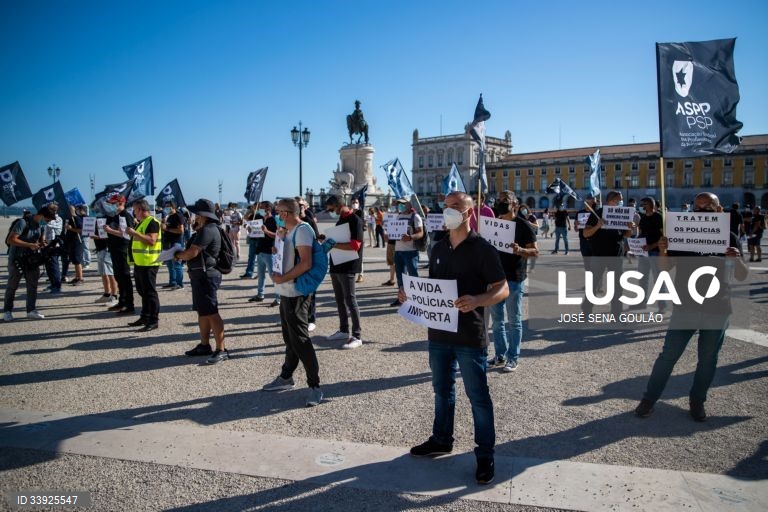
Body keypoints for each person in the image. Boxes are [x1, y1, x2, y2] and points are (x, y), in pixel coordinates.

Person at [401, 191, 508, 485]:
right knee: (441, 389)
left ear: (469, 213)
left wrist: (478, 299)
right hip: (438, 333)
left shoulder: (482, 249)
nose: (448, 211)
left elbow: (502, 288)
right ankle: (441, 439)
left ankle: (485, 454)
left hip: (469, 335)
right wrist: (412, 294)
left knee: (478, 397)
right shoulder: (438, 246)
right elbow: (434, 287)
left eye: (455, 207)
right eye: (446, 206)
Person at [635, 192, 748, 422]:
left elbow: (742, 275)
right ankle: (649, 399)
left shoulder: (730, 237)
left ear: (718, 211)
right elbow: (665, 268)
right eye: (697, 209)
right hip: (685, 305)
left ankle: (698, 401)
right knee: (667, 356)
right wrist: (665, 248)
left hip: (717, 308)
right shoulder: (681, 233)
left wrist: (736, 259)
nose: (701, 212)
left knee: (708, 360)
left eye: (707, 208)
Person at [261, 198, 323, 407]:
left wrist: (283, 277)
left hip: (296, 291)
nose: (276, 215)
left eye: (278, 212)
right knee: (290, 338)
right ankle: (286, 377)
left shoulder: (303, 230)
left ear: (286, 214)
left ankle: (315, 386)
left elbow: (306, 263)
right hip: (286, 290)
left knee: (301, 340)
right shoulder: (286, 231)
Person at [488, 191, 538, 372]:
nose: (501, 203)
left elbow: (535, 251)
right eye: (499, 200)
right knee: (497, 322)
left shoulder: (523, 225)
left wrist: (520, 250)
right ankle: (500, 355)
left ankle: (513, 357)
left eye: (505, 200)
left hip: (515, 279)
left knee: (514, 321)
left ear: (515, 204)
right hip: (495, 279)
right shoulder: (494, 224)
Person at [178, 199, 229, 364]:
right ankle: (204, 345)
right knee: (203, 311)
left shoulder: (208, 230)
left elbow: (192, 253)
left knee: (212, 312)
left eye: (196, 213)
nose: (194, 216)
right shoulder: (206, 229)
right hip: (200, 275)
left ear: (202, 215)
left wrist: (176, 255)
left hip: (207, 276)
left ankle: (221, 349)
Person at [581, 190, 635, 316]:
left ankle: (616, 313)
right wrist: (597, 226)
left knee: (617, 286)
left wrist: (631, 229)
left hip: (616, 254)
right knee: (593, 284)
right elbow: (586, 233)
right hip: (599, 254)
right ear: (610, 201)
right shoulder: (598, 213)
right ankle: (586, 311)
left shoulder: (623, 214)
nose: (620, 202)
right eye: (618, 200)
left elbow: (626, 234)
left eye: (621, 200)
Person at [323, 195, 364, 349]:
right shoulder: (341, 220)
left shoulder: (355, 220)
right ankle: (343, 329)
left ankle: (357, 335)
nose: (330, 212)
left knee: (350, 300)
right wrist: (326, 239)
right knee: (339, 300)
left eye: (331, 209)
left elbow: (355, 245)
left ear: (339, 205)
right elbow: (338, 240)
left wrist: (333, 244)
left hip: (348, 266)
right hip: (336, 264)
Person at [3, 205, 56, 322]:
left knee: (32, 286)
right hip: (17, 259)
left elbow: (41, 240)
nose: (48, 222)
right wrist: (30, 245)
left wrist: (44, 244)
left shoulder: (40, 226)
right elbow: (11, 240)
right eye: (48, 219)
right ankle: (7, 311)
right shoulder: (22, 223)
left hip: (32, 260)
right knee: (12, 286)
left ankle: (31, 310)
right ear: (42, 215)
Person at [125, 199, 162, 331]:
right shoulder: (141, 223)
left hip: (149, 262)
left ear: (140, 210)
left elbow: (151, 240)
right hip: (140, 262)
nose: (134, 213)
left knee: (150, 292)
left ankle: (153, 320)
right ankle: (145, 316)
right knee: (142, 291)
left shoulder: (152, 222)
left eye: (135, 210)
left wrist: (134, 233)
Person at [629, 197, 667, 313]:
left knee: (658, 279)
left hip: (655, 251)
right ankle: (641, 302)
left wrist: (652, 246)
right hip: (643, 252)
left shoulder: (659, 217)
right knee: (642, 278)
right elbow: (641, 234)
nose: (643, 206)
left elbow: (664, 237)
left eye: (645, 204)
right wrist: (634, 246)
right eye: (642, 204)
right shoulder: (643, 218)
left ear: (652, 204)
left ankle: (662, 305)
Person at [102, 194, 135, 315]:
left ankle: (129, 305)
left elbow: (127, 234)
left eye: (113, 203)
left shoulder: (126, 215)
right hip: (114, 249)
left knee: (125, 277)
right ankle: (122, 301)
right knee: (118, 277)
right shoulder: (115, 216)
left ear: (120, 203)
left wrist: (110, 231)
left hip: (122, 249)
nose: (111, 205)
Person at [391, 198, 424, 307]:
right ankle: (401, 299)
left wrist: (410, 237)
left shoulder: (415, 217)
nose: (400, 205)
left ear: (409, 204)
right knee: (400, 277)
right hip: (398, 250)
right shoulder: (398, 216)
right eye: (399, 203)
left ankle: (417, 300)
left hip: (411, 251)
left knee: (413, 276)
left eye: (403, 203)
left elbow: (420, 233)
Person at [248, 201, 280, 307]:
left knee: (273, 275)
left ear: (268, 209)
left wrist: (266, 231)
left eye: (262, 208)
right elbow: (257, 234)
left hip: (269, 252)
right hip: (260, 250)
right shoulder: (260, 219)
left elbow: (277, 235)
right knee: (261, 275)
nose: (260, 210)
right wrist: (252, 230)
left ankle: (278, 298)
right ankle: (260, 295)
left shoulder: (273, 220)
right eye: (260, 208)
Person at [92, 217, 118, 306]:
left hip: (107, 248)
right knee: (103, 272)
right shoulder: (97, 219)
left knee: (110, 272)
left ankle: (114, 295)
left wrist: (97, 237)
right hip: (99, 248)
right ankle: (107, 293)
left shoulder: (110, 219)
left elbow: (111, 235)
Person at [161, 201, 185, 290]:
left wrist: (167, 229)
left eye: (168, 206)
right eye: (165, 206)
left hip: (176, 243)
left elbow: (180, 230)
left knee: (177, 264)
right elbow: (167, 229)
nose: (166, 208)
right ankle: (172, 282)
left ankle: (180, 284)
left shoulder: (178, 216)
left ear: (173, 207)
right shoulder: (169, 217)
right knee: (170, 264)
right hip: (169, 243)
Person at [42, 202, 63, 294]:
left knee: (54, 265)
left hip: (54, 245)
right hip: (46, 244)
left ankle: (57, 285)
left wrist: (44, 218)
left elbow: (50, 224)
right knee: (48, 265)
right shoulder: (48, 218)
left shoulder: (58, 218)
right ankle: (52, 283)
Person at [62, 204, 85, 286]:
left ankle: (81, 278)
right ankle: (77, 277)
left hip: (77, 241)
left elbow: (81, 230)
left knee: (77, 260)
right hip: (70, 241)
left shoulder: (76, 218)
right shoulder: (68, 219)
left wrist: (71, 228)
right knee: (74, 260)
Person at [574, 196, 597, 271]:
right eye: (588, 202)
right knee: (587, 264)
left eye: (593, 203)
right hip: (584, 241)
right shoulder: (579, 213)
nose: (591, 204)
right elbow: (576, 229)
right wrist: (576, 226)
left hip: (595, 241)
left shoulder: (597, 214)